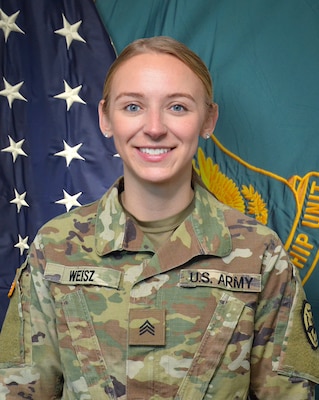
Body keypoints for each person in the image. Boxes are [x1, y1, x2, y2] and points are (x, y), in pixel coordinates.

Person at [0, 36, 318, 399]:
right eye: (133, 106)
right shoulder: (54, 248)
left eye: (178, 107)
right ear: (105, 118)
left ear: (208, 120)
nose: (154, 127)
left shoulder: (260, 254)